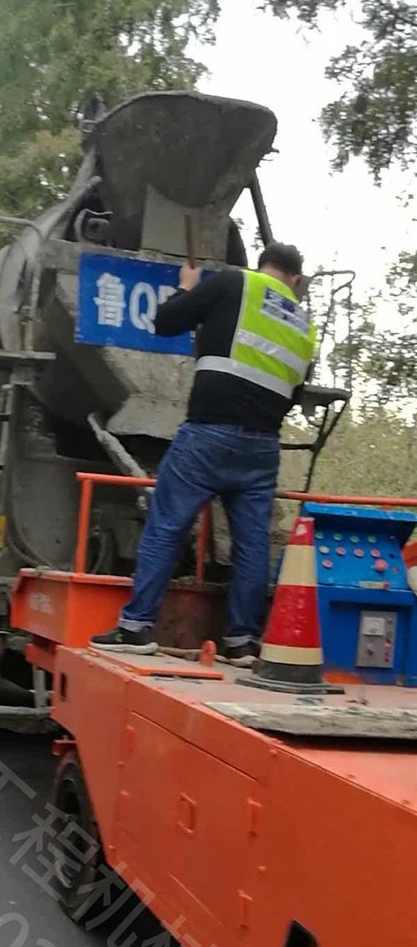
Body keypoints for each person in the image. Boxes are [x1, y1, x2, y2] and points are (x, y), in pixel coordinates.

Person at [91, 242, 317, 665]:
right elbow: (296, 392)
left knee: (166, 524)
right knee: (251, 546)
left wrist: (187, 287)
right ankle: (242, 642)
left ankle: (137, 626)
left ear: (262, 266)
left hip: (209, 434)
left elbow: (165, 322)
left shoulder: (236, 283)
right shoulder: (304, 324)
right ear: (296, 280)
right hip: (263, 446)